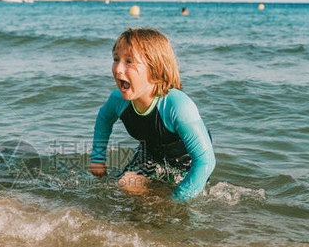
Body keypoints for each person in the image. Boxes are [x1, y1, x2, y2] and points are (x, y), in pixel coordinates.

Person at [89, 28, 215, 200]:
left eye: (129, 61)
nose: (118, 69)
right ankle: (152, 197)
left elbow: (205, 162)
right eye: (116, 59)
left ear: (156, 71)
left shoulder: (177, 106)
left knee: (179, 207)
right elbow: (104, 119)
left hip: (188, 162)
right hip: (150, 153)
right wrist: (97, 158)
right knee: (124, 185)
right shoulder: (118, 100)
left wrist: (176, 199)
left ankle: (159, 198)